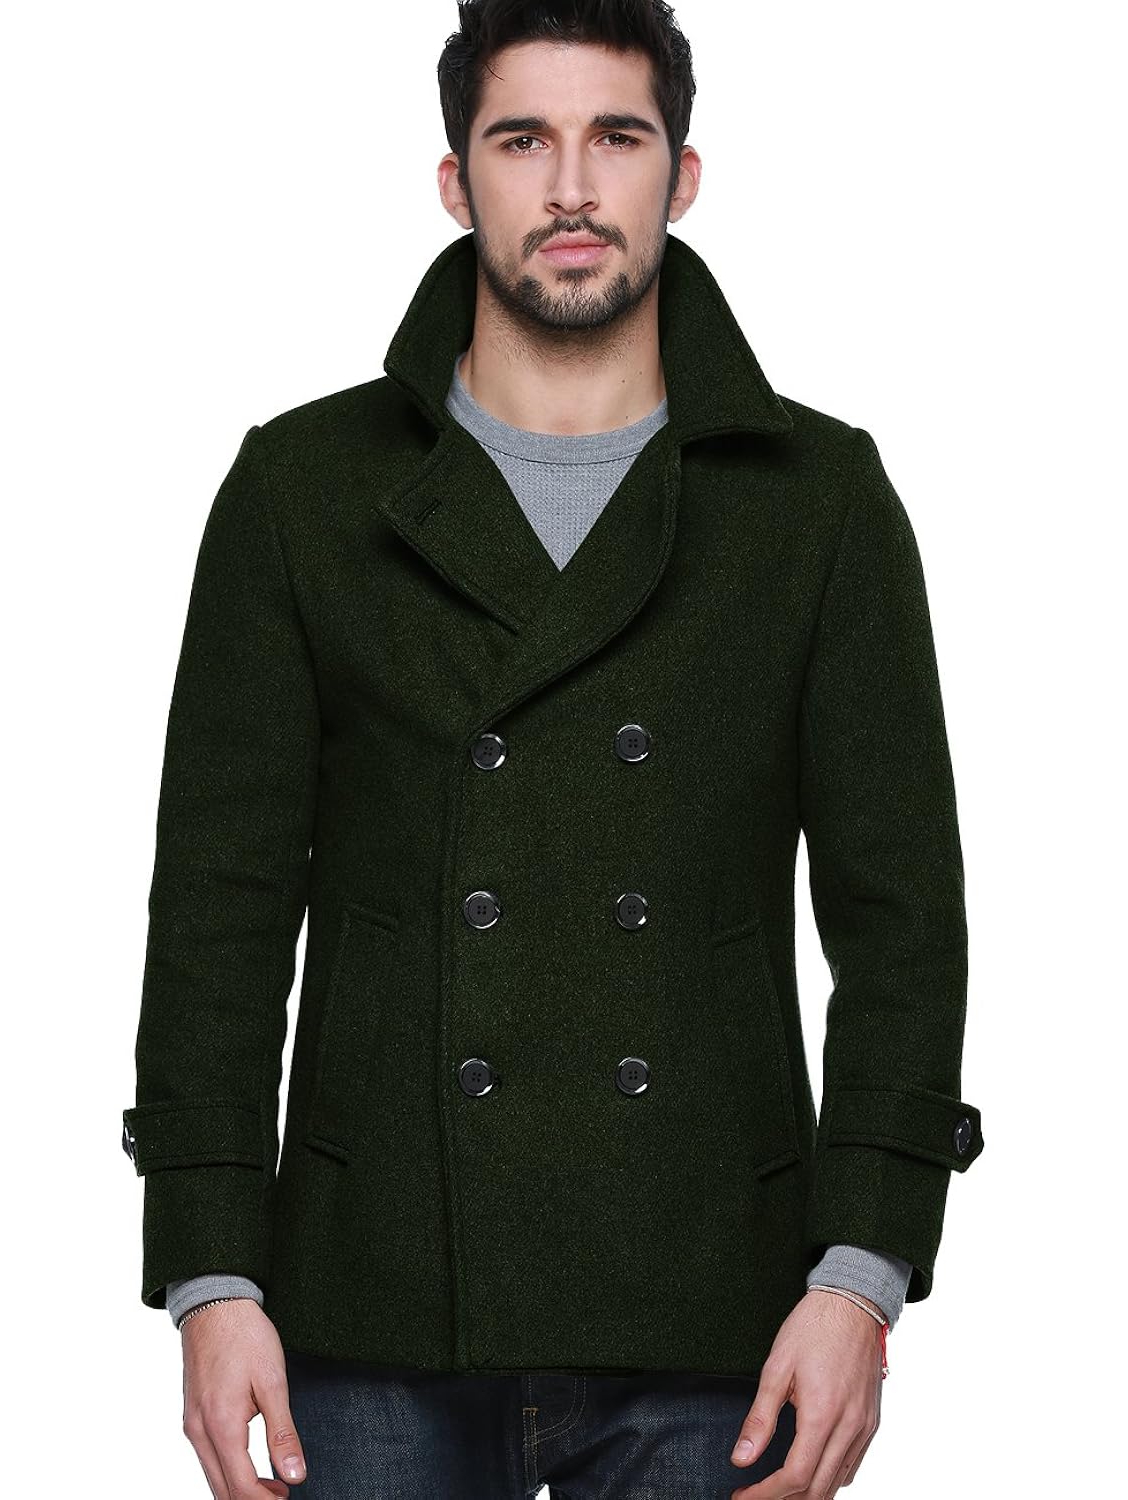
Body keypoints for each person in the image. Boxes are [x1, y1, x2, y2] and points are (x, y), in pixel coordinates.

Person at [121, 2, 984, 1496]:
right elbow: (220, 907)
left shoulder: (817, 500)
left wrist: (861, 1275)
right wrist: (211, 1274)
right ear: (455, 181)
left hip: (716, 1303)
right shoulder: (301, 488)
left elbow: (902, 920)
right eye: (523, 140)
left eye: (616, 138)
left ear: (681, 176)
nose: (571, 187)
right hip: (371, 1299)